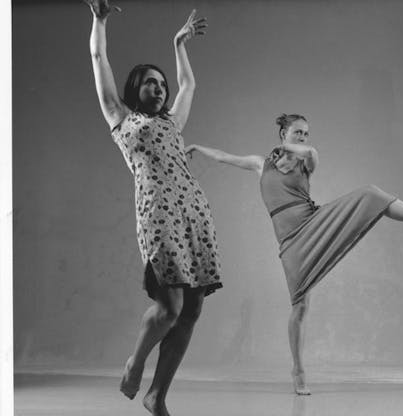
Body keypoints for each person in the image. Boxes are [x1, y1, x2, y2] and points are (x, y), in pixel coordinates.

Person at [186, 113, 403, 395]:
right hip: (290, 242)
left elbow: (311, 152)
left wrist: (293, 146)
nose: (304, 137)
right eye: (297, 132)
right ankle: (298, 370)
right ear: (283, 133)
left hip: (315, 223)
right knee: (300, 305)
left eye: (306, 133)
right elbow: (223, 157)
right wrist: (197, 149)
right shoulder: (262, 164)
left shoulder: (306, 161)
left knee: (370, 195)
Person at [85, 1, 221, 414]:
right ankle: (135, 363)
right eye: (149, 83)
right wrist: (99, 20)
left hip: (195, 214)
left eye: (161, 84)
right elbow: (98, 58)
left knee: (192, 309)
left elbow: (189, 87)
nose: (159, 88)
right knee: (170, 307)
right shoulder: (121, 119)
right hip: (159, 215)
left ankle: (156, 395)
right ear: (133, 91)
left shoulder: (172, 123)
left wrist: (178, 46)